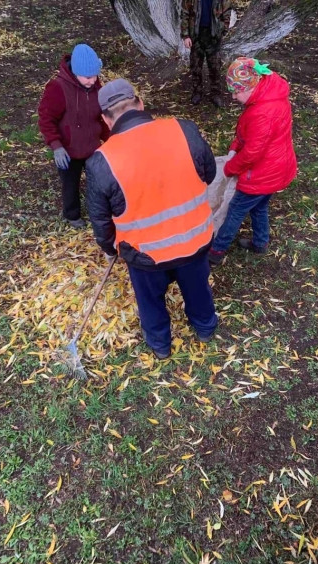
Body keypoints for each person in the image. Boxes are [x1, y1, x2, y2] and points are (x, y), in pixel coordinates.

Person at [86, 78, 218, 359]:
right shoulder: (184, 130)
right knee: (198, 289)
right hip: (194, 241)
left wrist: (111, 247)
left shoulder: (102, 160)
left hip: (145, 256)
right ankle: (205, 326)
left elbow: (100, 219)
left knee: (150, 302)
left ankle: (160, 345)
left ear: (106, 120)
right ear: (140, 103)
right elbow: (209, 174)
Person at [208, 57, 297, 265]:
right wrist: (233, 147)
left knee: (235, 210)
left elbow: (252, 153)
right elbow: (250, 135)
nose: (234, 96)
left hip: (262, 174)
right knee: (259, 206)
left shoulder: (262, 113)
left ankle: (216, 250)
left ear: (251, 86)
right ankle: (260, 242)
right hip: (278, 167)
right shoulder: (269, 95)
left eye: (237, 92)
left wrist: (230, 167)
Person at [38, 43, 110, 229]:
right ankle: (72, 215)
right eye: (87, 77)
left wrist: (112, 139)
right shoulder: (57, 88)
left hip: (92, 146)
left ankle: (100, 211)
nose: (92, 81)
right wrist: (56, 146)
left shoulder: (95, 87)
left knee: (98, 182)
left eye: (95, 76)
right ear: (75, 73)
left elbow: (100, 118)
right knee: (70, 184)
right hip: (68, 149)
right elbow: (46, 119)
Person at [181, 0, 233, 107]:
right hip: (196, 35)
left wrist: (222, 31)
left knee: (215, 67)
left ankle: (216, 94)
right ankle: (197, 92)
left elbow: (227, 12)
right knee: (195, 66)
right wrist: (186, 36)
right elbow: (185, 13)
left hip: (213, 36)